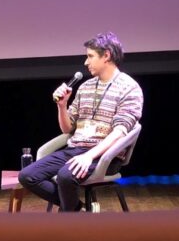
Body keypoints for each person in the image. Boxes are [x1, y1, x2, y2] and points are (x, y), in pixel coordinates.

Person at [19, 32, 143, 211]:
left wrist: (89, 156)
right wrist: (62, 105)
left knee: (65, 176)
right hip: (75, 149)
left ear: (106, 56)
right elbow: (67, 129)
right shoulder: (85, 87)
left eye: (90, 56)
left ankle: (71, 220)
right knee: (27, 175)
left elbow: (119, 133)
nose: (86, 62)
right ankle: (79, 210)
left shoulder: (129, 88)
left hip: (106, 155)